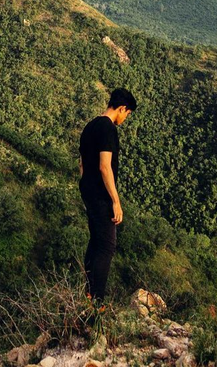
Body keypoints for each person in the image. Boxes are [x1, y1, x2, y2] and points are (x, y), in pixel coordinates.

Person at [79, 87, 137, 307]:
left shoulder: (90, 126)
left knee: (96, 241)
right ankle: (98, 302)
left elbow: (82, 164)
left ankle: (87, 293)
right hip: (101, 196)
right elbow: (105, 167)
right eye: (127, 114)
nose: (125, 118)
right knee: (107, 246)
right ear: (121, 108)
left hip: (88, 192)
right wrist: (115, 200)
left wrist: (86, 189)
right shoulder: (107, 128)